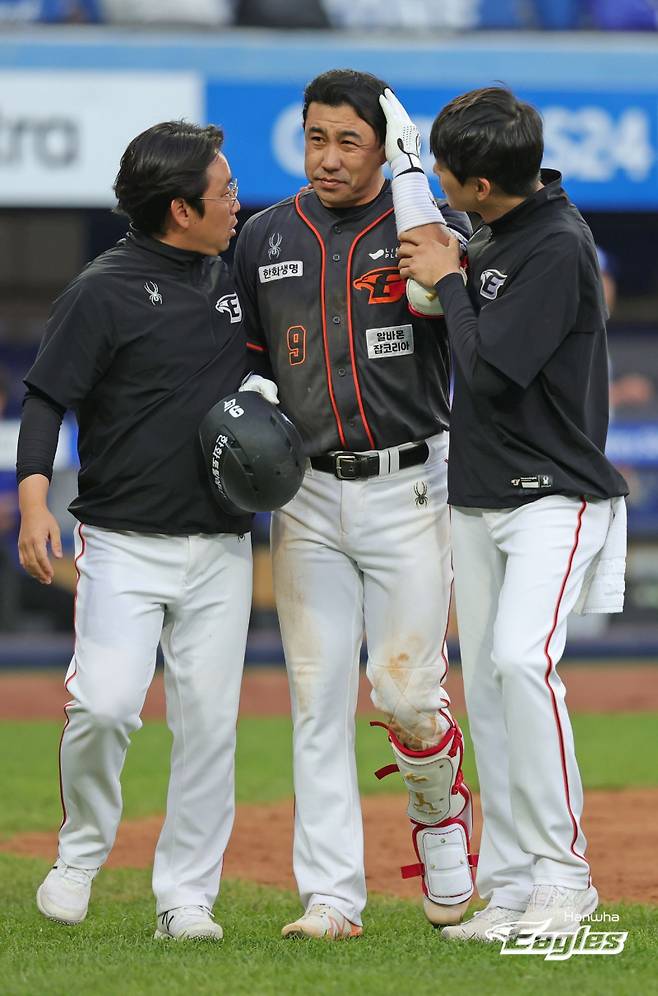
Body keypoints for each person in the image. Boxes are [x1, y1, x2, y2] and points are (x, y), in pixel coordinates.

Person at [233, 68, 475, 940]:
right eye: (314, 137)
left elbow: (455, 306)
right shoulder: (264, 236)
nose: (328, 157)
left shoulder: (424, 225)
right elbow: (248, 356)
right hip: (304, 494)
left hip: (412, 486)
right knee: (315, 695)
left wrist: (416, 188)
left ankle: (441, 823)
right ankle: (331, 897)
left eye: (350, 140)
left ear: (385, 147)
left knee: (406, 693)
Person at [390, 85, 628, 940]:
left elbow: (493, 372)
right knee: (487, 688)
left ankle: (568, 878)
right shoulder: (497, 227)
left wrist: (450, 280)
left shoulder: (558, 245)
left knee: (525, 665)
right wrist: (450, 252)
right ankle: (515, 886)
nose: (445, 184)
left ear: (484, 186)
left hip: (553, 496)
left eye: (450, 177)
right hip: (482, 490)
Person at [16, 120, 253, 941]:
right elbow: (47, 397)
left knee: (210, 728)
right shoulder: (101, 288)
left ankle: (185, 897)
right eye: (221, 192)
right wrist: (36, 499)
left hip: (223, 544)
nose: (235, 202)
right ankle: (80, 853)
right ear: (179, 210)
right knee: (107, 706)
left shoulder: (238, 275)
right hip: (121, 542)